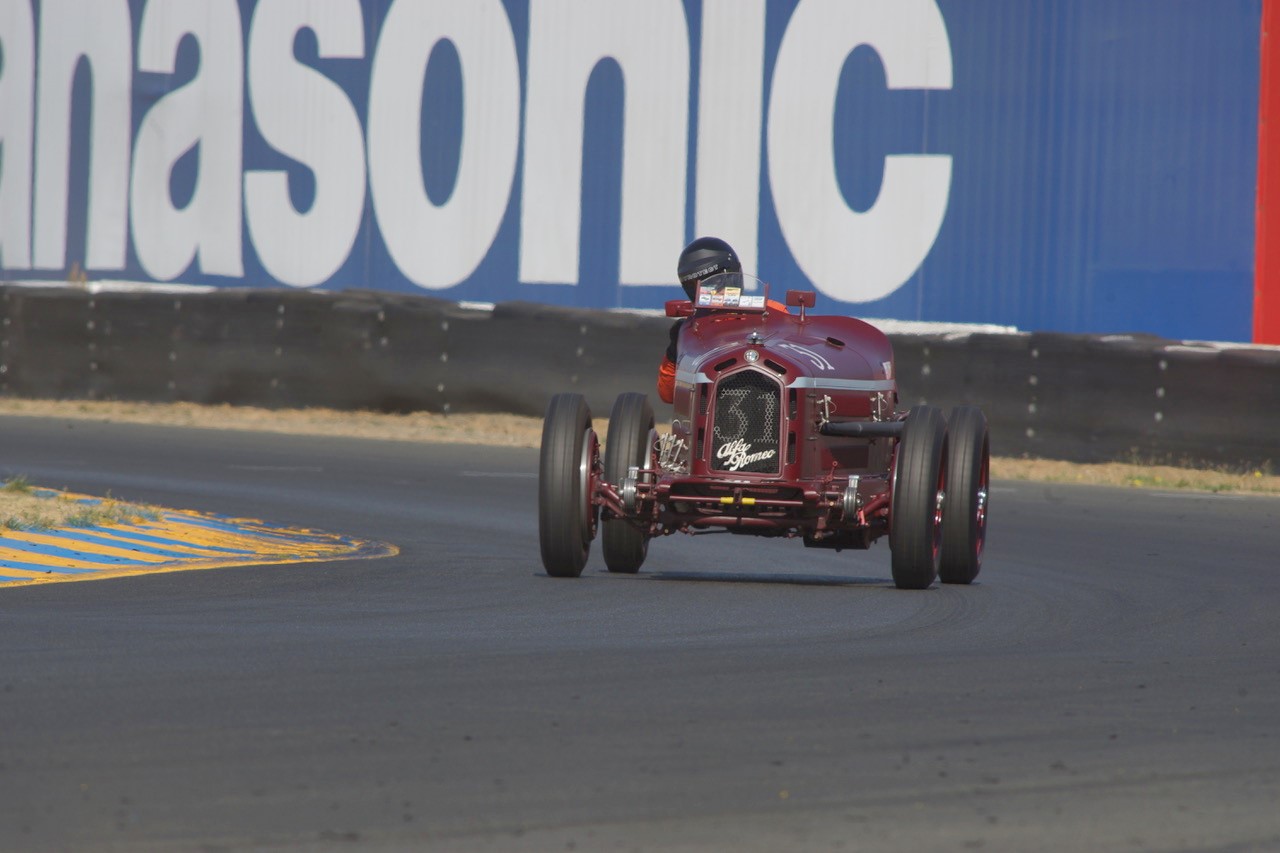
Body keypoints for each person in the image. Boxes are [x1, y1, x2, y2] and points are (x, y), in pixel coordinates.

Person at [656, 237, 787, 403]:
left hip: (768, 397)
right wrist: (675, 350)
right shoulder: (691, 328)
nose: (712, 290)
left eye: (716, 281)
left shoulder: (774, 311)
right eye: (702, 285)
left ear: (733, 275)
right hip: (712, 407)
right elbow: (667, 394)